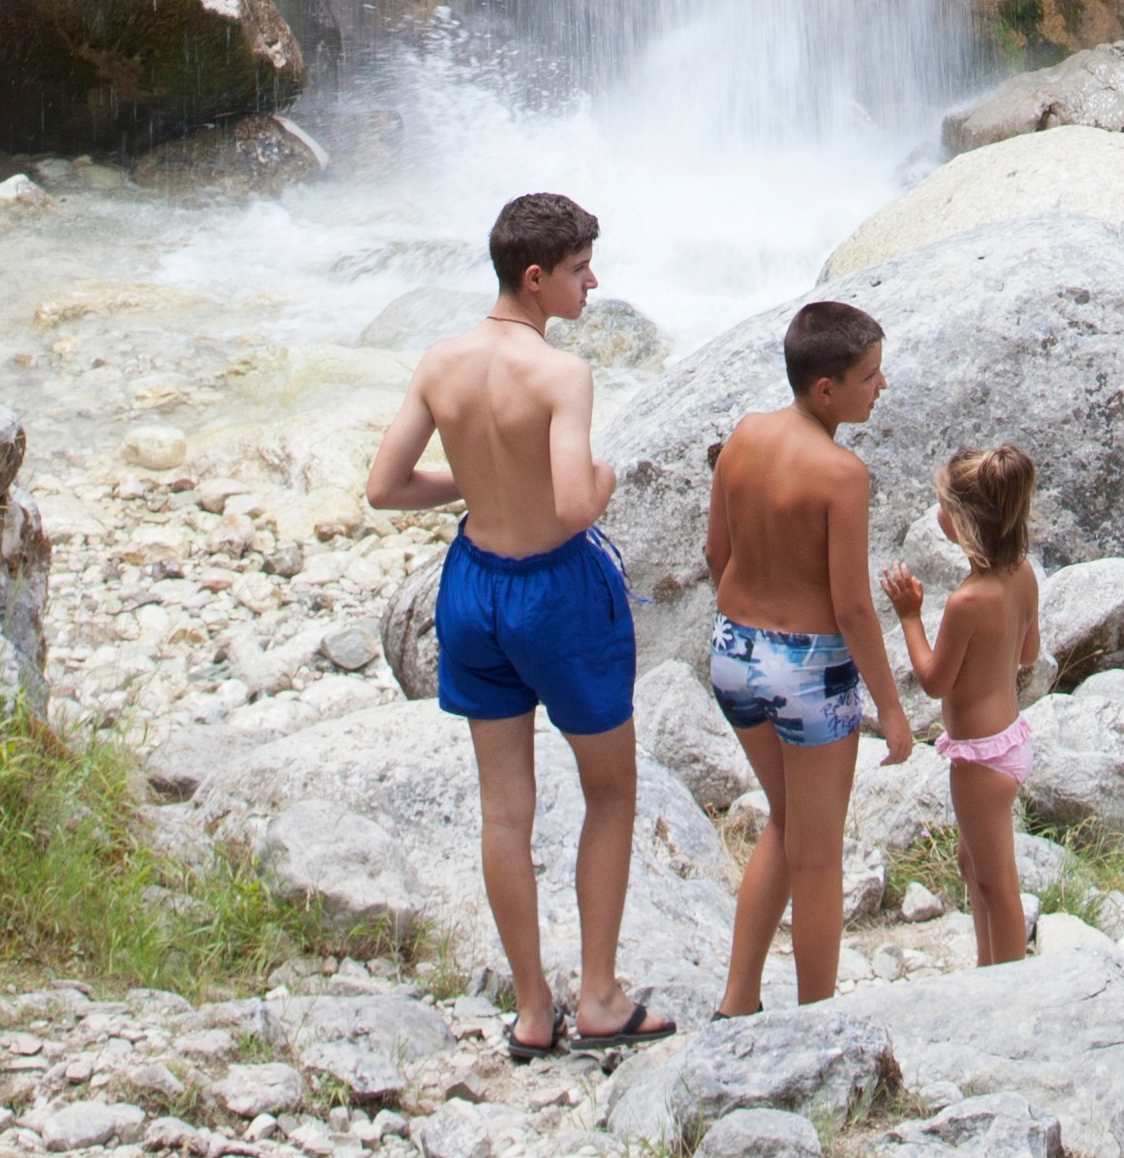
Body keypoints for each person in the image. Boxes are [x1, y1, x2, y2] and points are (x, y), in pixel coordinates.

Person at [364, 187, 670, 1059]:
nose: (593, 284)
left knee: (505, 811)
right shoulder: (562, 374)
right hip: (558, 595)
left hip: (473, 589)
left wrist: (474, 485)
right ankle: (602, 998)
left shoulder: (440, 362)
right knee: (610, 792)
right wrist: (606, 478)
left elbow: (385, 488)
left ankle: (534, 1011)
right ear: (535, 279)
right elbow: (575, 506)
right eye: (579, 272)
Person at [705, 295, 916, 1009]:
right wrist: (891, 710)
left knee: (788, 823)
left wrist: (752, 625)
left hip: (733, 653)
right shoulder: (839, 474)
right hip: (809, 671)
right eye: (870, 376)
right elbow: (853, 605)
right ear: (825, 389)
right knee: (820, 857)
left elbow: (716, 553)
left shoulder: (743, 437)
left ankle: (738, 997)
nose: (881, 386)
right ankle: (817, 1022)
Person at [885, 444, 1043, 968]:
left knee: (997, 883)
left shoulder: (966, 601)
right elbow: (1029, 653)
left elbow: (933, 682)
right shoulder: (1022, 575)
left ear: (968, 522)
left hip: (979, 758)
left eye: (945, 507)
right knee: (971, 861)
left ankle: (1008, 980)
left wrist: (910, 616)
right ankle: (987, 966)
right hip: (1009, 740)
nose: (938, 516)